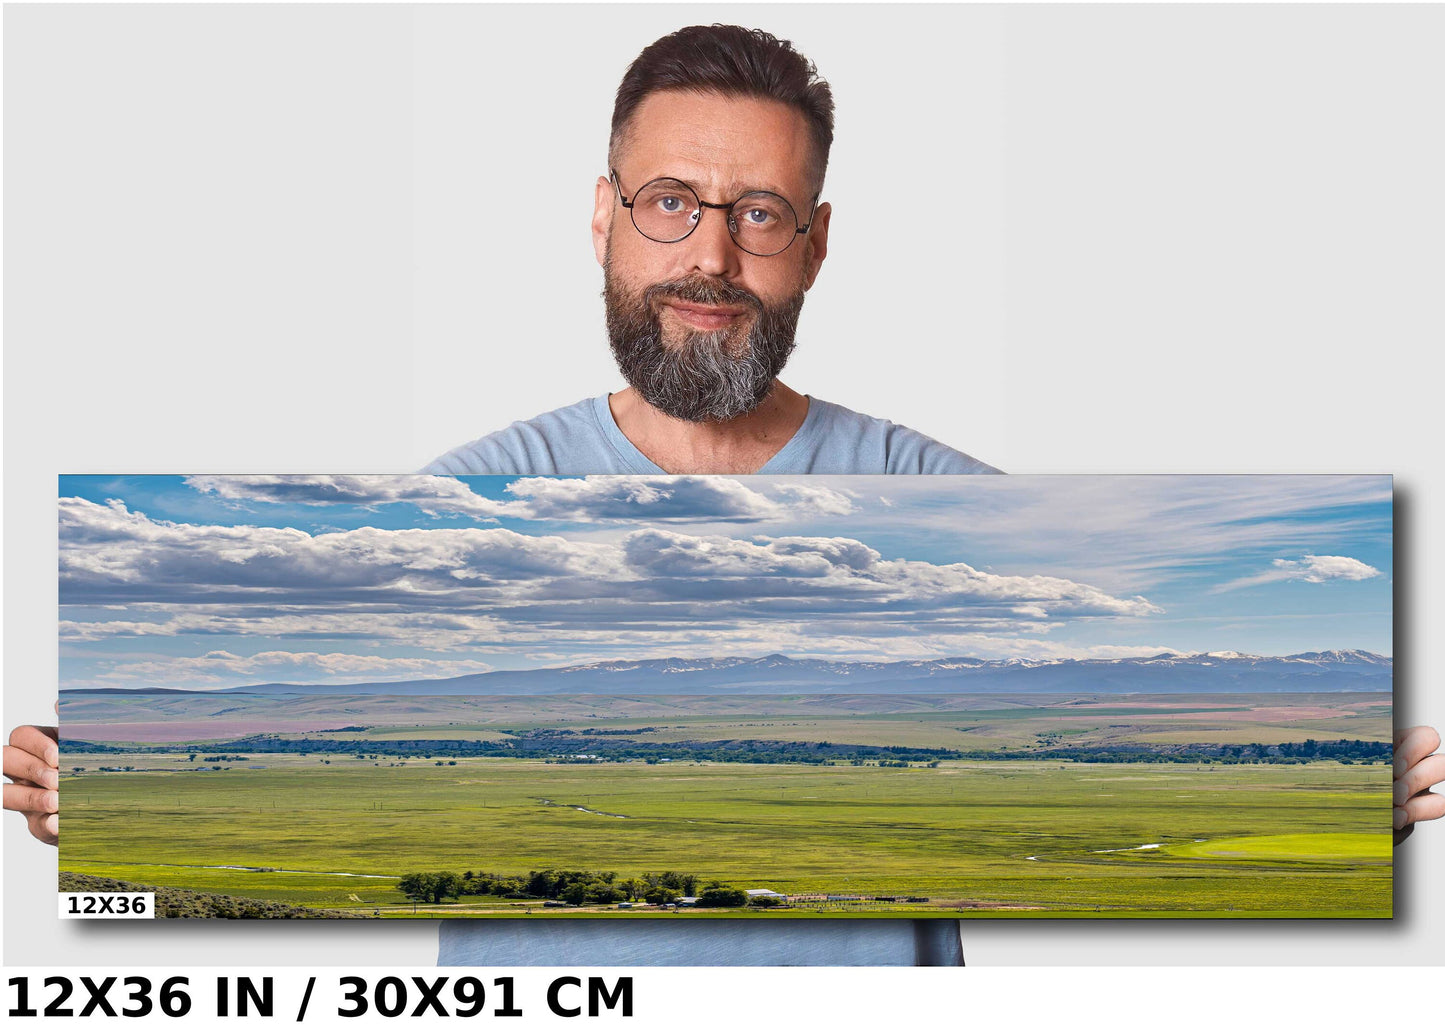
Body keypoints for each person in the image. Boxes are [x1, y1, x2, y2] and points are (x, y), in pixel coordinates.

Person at [8, 23, 1443, 967]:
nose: (711, 255)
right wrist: (126, 795)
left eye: (757, 213)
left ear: (813, 245)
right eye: (670, 202)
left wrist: (1323, 794)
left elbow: (1129, 756)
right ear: (602, 217)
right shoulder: (453, 504)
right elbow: (278, 778)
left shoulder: (951, 505)